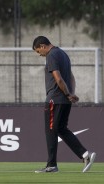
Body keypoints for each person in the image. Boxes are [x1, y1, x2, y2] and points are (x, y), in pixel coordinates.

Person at [32, 36, 96, 173]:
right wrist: (71, 93)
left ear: (43, 46)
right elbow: (71, 76)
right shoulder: (63, 54)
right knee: (61, 129)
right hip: (65, 100)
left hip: (54, 99)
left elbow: (58, 77)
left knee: (50, 131)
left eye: (38, 51)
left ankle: (51, 165)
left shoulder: (51, 55)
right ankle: (85, 155)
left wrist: (68, 94)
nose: (39, 54)